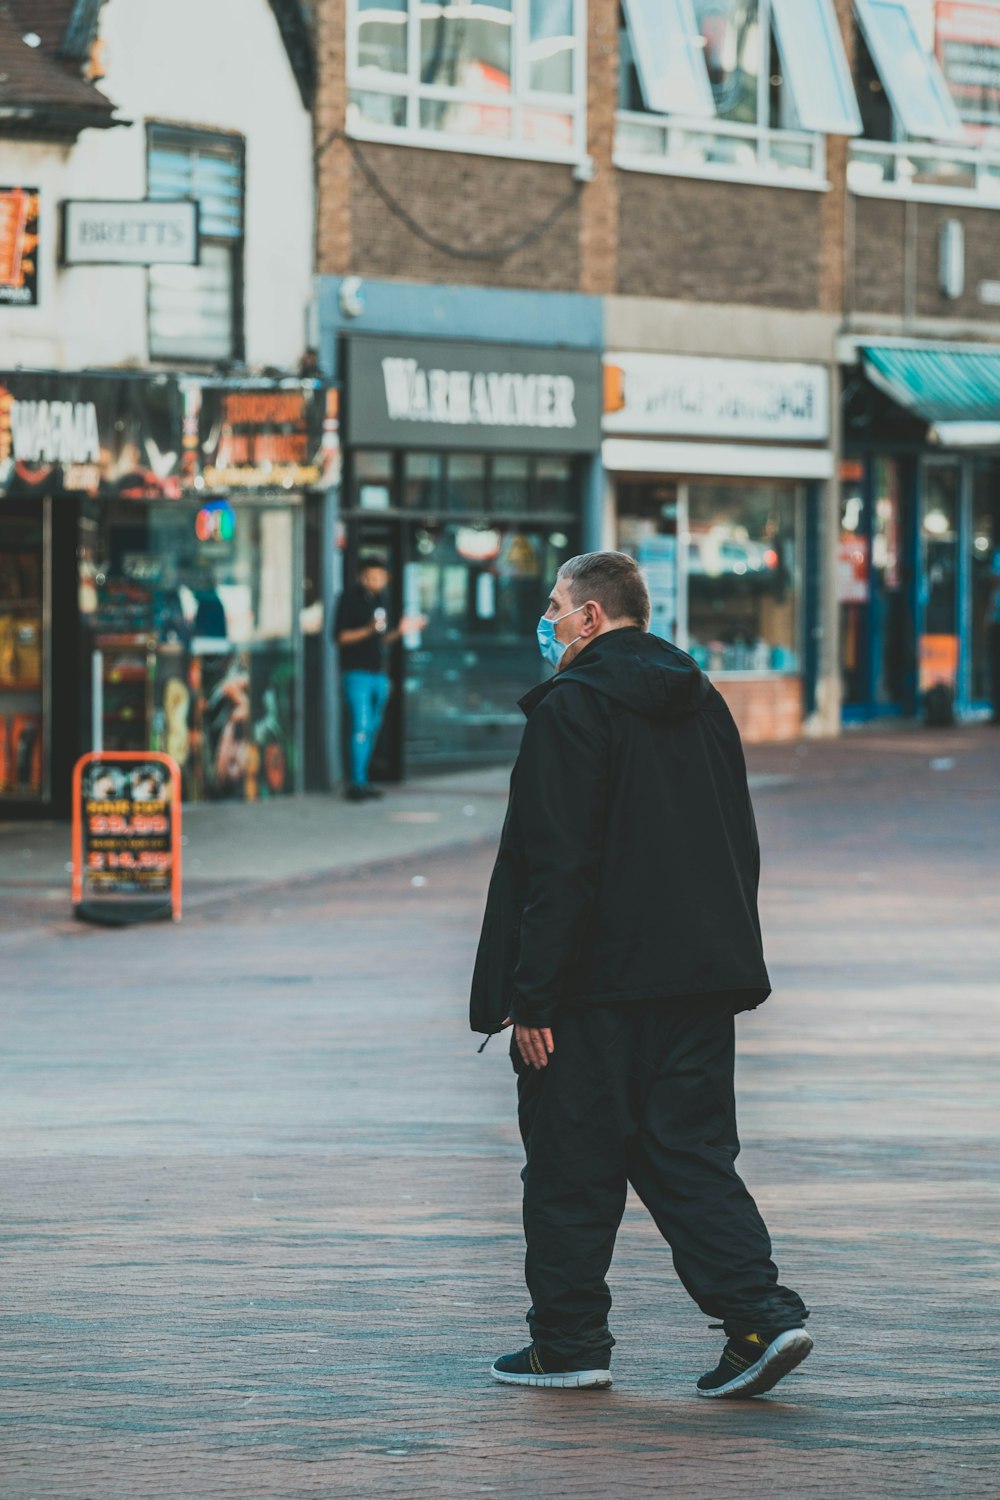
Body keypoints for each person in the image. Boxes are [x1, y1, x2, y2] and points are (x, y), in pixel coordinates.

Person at [470, 551, 810, 1399]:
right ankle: (762, 1319)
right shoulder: (704, 704)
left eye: (555, 606)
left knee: (568, 1166)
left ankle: (568, 1342)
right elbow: (738, 842)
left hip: (591, 991)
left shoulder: (573, 708)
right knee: (689, 1153)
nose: (546, 623)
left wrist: (532, 995)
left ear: (591, 616)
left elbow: (558, 866)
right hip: (697, 982)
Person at [334, 555, 425, 802]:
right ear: (361, 577)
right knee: (361, 728)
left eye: (380, 578)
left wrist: (402, 631)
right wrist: (368, 629)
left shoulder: (381, 600)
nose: (376, 582)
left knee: (371, 728)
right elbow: (341, 638)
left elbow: (382, 639)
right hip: (356, 674)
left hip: (379, 675)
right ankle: (356, 783)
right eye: (372, 577)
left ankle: (363, 778)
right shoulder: (349, 600)